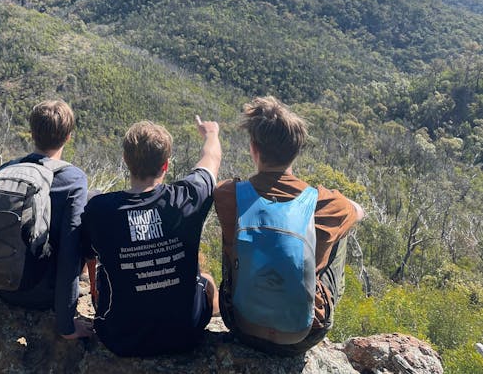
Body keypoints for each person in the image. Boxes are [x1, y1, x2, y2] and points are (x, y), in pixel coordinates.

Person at [214, 96, 364, 355]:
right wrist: (340, 205)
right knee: (341, 231)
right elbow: (360, 212)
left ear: (254, 149)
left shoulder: (227, 194)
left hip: (241, 326)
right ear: (296, 151)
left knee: (234, 236)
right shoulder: (325, 204)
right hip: (300, 337)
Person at [80, 116, 221, 357]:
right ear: (165, 165)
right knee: (206, 280)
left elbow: (84, 253)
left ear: (126, 161)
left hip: (119, 337)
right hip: (185, 335)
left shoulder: (100, 210)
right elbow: (211, 160)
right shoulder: (186, 198)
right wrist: (211, 134)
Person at [0, 100, 92, 340]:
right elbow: (71, 252)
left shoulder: (7, 169)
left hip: (4, 287)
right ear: (68, 137)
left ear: (32, 133)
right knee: (95, 200)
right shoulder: (73, 179)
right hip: (43, 295)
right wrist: (67, 324)